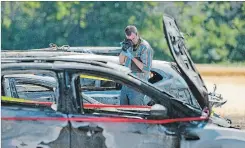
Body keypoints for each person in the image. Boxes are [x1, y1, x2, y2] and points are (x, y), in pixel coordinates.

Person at [119, 25, 153, 105]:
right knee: (123, 112)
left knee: (136, 113)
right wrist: (123, 51)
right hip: (126, 84)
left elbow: (146, 69)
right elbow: (121, 62)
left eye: (133, 38)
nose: (132, 41)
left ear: (137, 34)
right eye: (129, 39)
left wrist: (132, 57)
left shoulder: (145, 47)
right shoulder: (128, 44)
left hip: (138, 87)